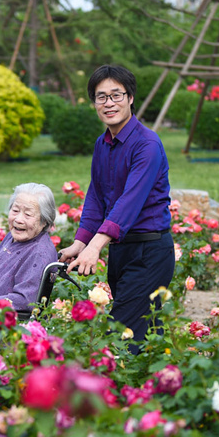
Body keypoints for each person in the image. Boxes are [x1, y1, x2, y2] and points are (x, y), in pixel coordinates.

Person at [59, 65, 175, 352]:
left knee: (120, 337)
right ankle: (153, 391)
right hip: (121, 251)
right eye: (101, 97)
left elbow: (129, 202)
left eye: (116, 95)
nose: (109, 103)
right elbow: (97, 196)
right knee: (146, 337)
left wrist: (95, 245)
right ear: (94, 103)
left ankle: (117, 392)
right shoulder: (103, 143)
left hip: (149, 252)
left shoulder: (147, 144)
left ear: (131, 97)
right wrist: (80, 242)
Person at [0, 183, 59, 313]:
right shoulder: (13, 236)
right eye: (15, 211)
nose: (18, 219)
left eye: (28, 214)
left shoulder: (38, 253)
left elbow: (24, 300)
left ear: (44, 221)